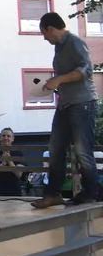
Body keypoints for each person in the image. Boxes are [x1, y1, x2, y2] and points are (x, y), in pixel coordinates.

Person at [32, 12, 100, 207]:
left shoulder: (75, 42)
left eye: (44, 34)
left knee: (82, 151)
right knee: (55, 149)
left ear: (51, 29)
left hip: (83, 103)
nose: (45, 38)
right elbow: (66, 75)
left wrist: (59, 79)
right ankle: (53, 194)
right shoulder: (59, 47)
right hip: (65, 104)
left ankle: (91, 193)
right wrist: (52, 83)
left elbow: (86, 70)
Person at [0, 128, 25, 197]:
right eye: (3, 136)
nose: (6, 138)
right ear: (0, 138)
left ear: (12, 139)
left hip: (14, 191)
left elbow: (19, 174)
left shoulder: (18, 152)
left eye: (8, 136)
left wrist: (9, 161)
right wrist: (2, 164)